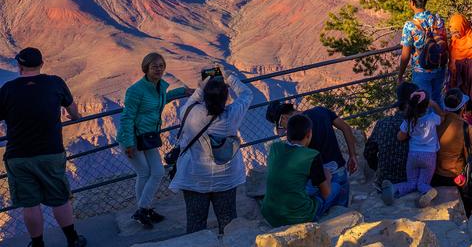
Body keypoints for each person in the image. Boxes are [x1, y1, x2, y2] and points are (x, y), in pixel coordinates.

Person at [0, 48, 87, 247]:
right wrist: (74, 118)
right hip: (50, 152)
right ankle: (73, 240)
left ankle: (37, 244)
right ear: (41, 64)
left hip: (18, 155)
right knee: (60, 199)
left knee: (30, 204)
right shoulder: (55, 83)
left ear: (19, 66)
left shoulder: (7, 89)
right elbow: (73, 112)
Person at [170, 71, 250, 234]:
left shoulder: (188, 112)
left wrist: (203, 85)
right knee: (228, 223)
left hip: (194, 178)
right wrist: (229, 78)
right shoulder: (231, 115)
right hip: (225, 178)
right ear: (226, 98)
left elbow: (194, 99)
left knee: (195, 224)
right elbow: (247, 94)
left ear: (205, 96)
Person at [120, 52, 187, 228]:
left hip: (148, 136)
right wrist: (128, 143)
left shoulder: (158, 87)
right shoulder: (135, 90)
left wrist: (185, 91)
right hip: (133, 138)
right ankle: (144, 210)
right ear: (146, 68)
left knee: (157, 171)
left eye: (161, 65)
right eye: (154, 66)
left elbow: (162, 99)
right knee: (144, 173)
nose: (158, 69)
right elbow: (127, 117)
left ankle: (143, 209)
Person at [265, 101, 359, 213]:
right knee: (341, 200)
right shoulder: (321, 111)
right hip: (339, 171)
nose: (285, 130)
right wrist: (352, 156)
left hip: (317, 180)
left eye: (282, 126)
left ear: (284, 118)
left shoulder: (296, 134)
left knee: (316, 199)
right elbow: (345, 128)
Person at [261, 113, 332, 227]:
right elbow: (326, 193)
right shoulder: (312, 156)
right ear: (309, 133)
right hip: (298, 216)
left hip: (269, 214)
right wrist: (327, 176)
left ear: (287, 133)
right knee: (337, 187)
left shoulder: (275, 148)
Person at [382, 91, 442, 206]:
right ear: (426, 105)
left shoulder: (408, 121)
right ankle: (428, 191)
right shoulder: (432, 118)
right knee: (422, 183)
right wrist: (434, 105)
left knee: (412, 182)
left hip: (413, 155)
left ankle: (393, 189)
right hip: (429, 156)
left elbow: (400, 137)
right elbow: (443, 117)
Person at [397, 0, 451, 107]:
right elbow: (444, 41)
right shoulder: (438, 19)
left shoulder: (410, 26)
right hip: (439, 66)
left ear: (412, 3)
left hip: (421, 70)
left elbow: (405, 55)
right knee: (438, 99)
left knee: (424, 104)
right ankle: (442, 123)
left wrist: (400, 76)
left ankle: (429, 126)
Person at [431, 88, 472, 214]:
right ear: (463, 108)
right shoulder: (468, 128)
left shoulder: (436, 122)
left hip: (435, 176)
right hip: (455, 177)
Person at [367, 82, 417, 192]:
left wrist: (378, 169)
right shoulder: (420, 125)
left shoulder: (382, 123)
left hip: (384, 181)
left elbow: (368, 153)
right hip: (411, 180)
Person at [446, 13, 472, 128]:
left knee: (470, 107)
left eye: (457, 31)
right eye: (453, 31)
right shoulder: (454, 42)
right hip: (456, 81)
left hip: (470, 84)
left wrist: (465, 65)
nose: (455, 34)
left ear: (463, 27)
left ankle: (471, 132)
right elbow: (451, 58)